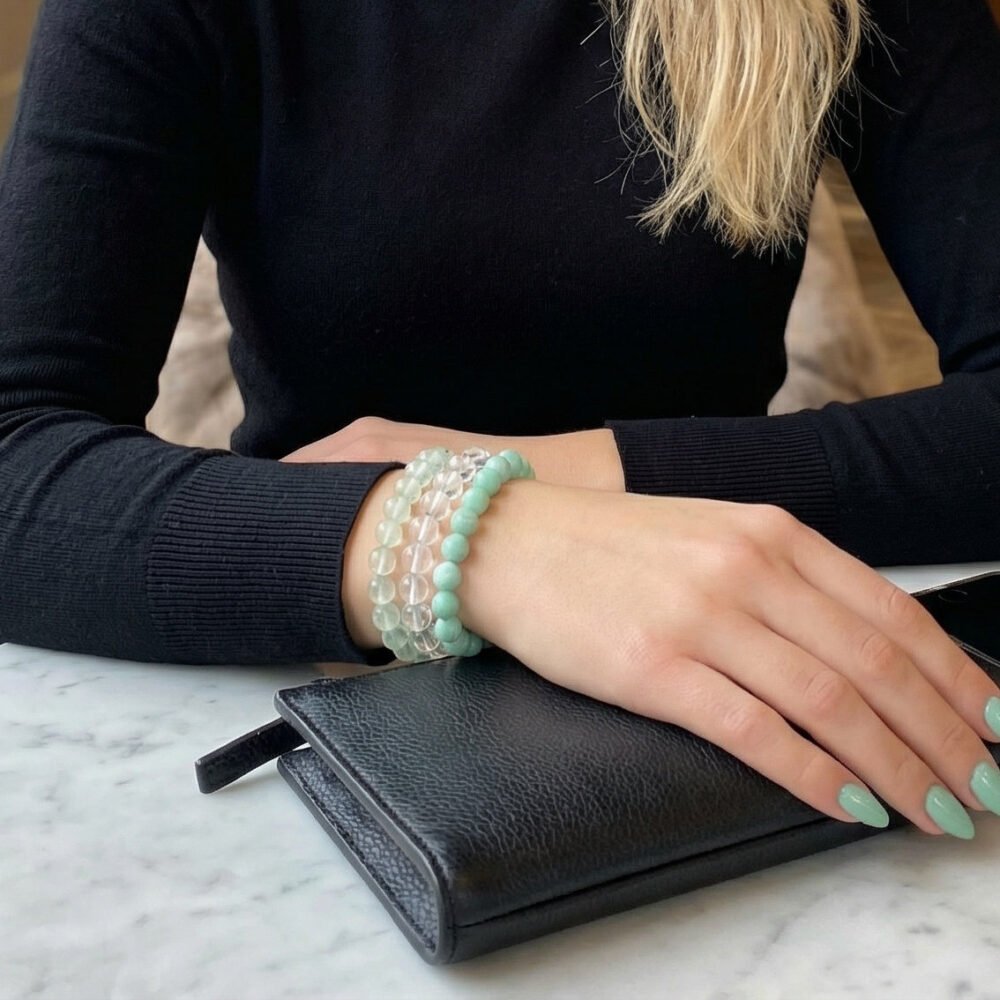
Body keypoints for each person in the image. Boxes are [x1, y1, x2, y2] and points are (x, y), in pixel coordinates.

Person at [1, 0, 999, 844]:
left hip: (729, 694)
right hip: (313, 688)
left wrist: (550, 480)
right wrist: (461, 537)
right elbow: (19, 460)